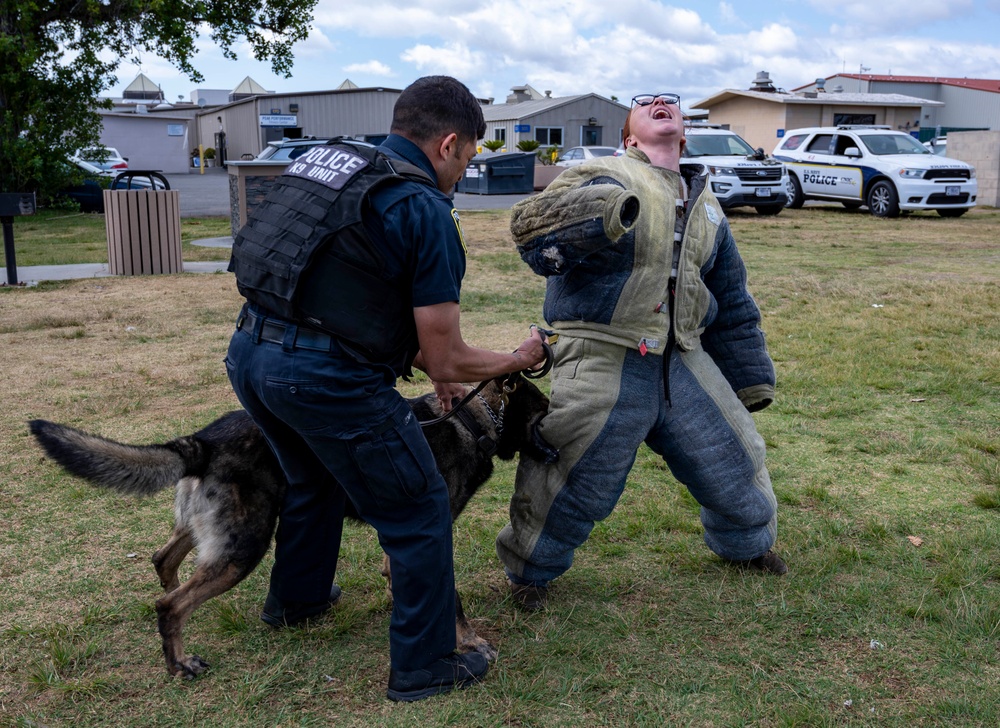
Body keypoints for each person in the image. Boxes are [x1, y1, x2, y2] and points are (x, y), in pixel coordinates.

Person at [225, 75, 546, 701]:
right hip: (325, 378)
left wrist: (441, 375)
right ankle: (426, 666)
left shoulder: (332, 164)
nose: (466, 168)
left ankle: (299, 600)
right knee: (418, 507)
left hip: (249, 353)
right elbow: (444, 351)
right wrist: (516, 358)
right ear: (449, 144)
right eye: (471, 153)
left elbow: (348, 283)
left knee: (312, 478)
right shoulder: (423, 207)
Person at [496, 92, 786, 611]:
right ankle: (529, 571)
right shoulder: (602, 174)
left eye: (668, 102)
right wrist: (597, 211)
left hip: (682, 358)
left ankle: (747, 545)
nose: (659, 102)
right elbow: (532, 230)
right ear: (628, 136)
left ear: (684, 133)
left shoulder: (709, 207)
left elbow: (732, 294)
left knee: (734, 456)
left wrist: (748, 377)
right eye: (645, 102)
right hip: (604, 352)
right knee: (573, 472)